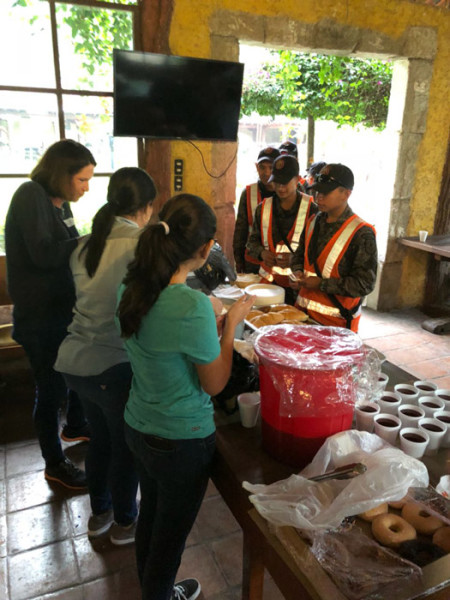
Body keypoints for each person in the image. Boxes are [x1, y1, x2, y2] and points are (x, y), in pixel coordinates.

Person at [117, 194, 254, 600]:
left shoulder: (133, 286)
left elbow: (161, 345)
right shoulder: (190, 303)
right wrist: (230, 327)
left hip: (139, 427)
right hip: (181, 441)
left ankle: (154, 590)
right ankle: (159, 594)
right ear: (204, 248)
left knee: (151, 520)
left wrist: (206, 326)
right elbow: (214, 384)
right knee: (169, 544)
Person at [55, 167, 157, 544]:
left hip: (75, 361)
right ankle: (126, 522)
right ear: (147, 207)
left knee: (101, 440)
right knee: (125, 447)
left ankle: (100, 513)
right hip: (113, 365)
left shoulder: (84, 243)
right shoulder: (144, 241)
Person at [5, 139, 96, 490]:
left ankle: (75, 426)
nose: (87, 188)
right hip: (39, 319)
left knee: (73, 369)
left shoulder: (58, 205)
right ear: (62, 175)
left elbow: (68, 248)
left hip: (61, 311)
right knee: (50, 389)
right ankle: (54, 463)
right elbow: (45, 254)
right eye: (82, 181)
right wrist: (90, 240)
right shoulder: (30, 195)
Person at [290, 163, 378, 332]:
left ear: (346, 194)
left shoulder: (361, 233)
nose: (318, 197)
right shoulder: (313, 222)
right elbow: (299, 255)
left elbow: (364, 284)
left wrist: (321, 284)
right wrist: (297, 272)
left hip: (337, 328)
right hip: (302, 317)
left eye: (325, 192)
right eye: (317, 191)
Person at [246, 154, 318, 305]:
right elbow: (251, 242)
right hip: (268, 286)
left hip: (297, 288)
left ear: (298, 179)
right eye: (277, 182)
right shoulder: (263, 208)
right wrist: (262, 253)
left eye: (285, 182)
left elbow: (317, 251)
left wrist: (296, 261)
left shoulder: (312, 209)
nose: (280, 187)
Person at [233, 146, 280, 274]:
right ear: (256, 167)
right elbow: (240, 231)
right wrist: (238, 260)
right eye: (262, 167)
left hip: (280, 264)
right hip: (253, 263)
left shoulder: (289, 191)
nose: (266, 172)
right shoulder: (248, 193)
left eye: (271, 167)